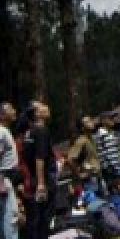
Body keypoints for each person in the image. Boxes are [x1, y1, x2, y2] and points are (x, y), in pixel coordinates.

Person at [20, 101, 55, 239]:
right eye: (42, 105)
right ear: (37, 113)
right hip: (43, 179)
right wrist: (41, 183)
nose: (46, 106)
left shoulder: (30, 132)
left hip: (34, 178)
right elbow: (39, 158)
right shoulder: (41, 130)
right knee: (44, 219)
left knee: (37, 219)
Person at [0, 102, 21, 239]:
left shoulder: (5, 130)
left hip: (8, 180)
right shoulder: (1, 132)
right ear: (2, 115)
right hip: (3, 180)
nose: (14, 111)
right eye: (11, 109)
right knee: (10, 220)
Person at [67, 116, 101, 195]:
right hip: (89, 179)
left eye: (90, 120)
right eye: (87, 122)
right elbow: (70, 159)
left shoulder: (91, 138)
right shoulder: (81, 140)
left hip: (96, 175)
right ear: (82, 128)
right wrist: (79, 174)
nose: (91, 122)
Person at [93, 111, 120, 196]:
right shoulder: (100, 135)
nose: (113, 120)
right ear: (103, 121)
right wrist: (107, 167)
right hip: (110, 170)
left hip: (118, 167)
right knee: (115, 193)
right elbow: (100, 152)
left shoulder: (114, 133)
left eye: (113, 118)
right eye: (110, 118)